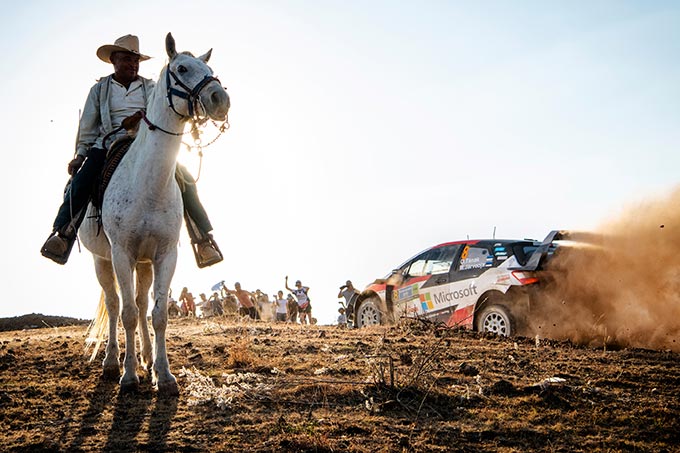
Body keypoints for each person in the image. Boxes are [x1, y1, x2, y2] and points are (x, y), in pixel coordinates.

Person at [39, 34, 222, 268]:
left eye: (136, 60)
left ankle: (203, 238)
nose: (133, 64)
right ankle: (63, 233)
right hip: (107, 144)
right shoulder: (100, 89)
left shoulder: (151, 87)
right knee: (83, 180)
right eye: (127, 59)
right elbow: (88, 125)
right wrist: (81, 155)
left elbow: (164, 111)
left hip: (146, 144)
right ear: (114, 60)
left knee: (186, 180)